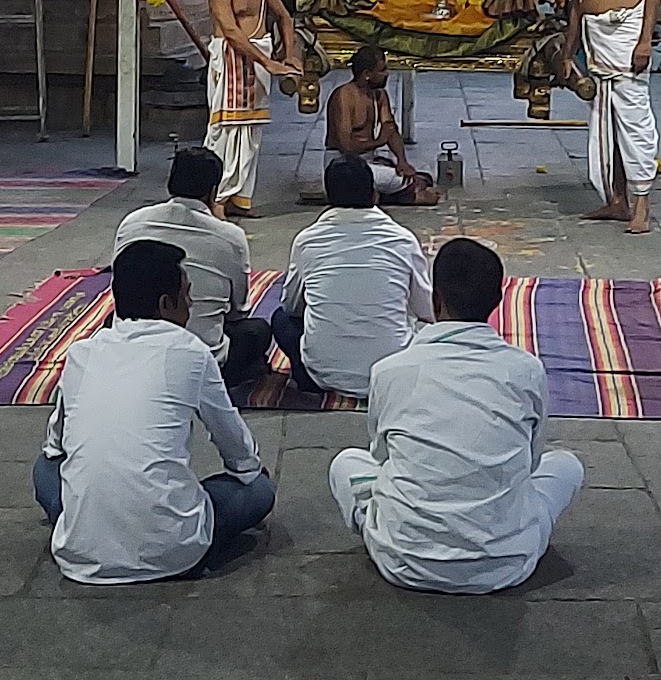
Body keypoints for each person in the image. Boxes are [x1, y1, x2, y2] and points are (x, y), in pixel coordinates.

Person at [328, 236, 584, 594]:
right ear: (497, 301)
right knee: (566, 465)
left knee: (346, 463)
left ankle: (386, 526)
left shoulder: (390, 370)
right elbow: (531, 460)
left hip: (402, 559)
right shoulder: (525, 369)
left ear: (436, 299)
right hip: (508, 563)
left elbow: (381, 456)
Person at [33, 239, 275, 584]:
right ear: (166, 304)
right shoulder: (189, 350)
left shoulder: (82, 353)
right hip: (173, 553)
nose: (191, 304)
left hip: (78, 555)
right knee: (257, 491)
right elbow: (235, 446)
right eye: (187, 294)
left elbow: (55, 448)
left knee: (46, 469)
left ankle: (88, 525)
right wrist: (251, 472)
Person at [270, 155, 433, 397]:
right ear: (374, 195)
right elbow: (426, 310)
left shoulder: (307, 241)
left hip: (322, 375)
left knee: (281, 319)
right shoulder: (403, 240)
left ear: (328, 198)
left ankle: (307, 375)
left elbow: (292, 306)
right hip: (393, 370)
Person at [113, 147, 272, 388]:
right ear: (212, 192)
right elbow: (238, 310)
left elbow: (122, 286)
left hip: (136, 351)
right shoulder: (229, 236)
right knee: (257, 331)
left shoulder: (132, 223)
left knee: (113, 322)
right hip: (200, 359)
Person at [560, 0, 661, 235]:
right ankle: (616, 200)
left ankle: (642, 204)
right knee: (605, 125)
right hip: (596, 42)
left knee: (634, 121)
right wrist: (569, 51)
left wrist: (645, 41)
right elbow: (577, 4)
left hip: (628, 37)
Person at [204, 0, 300, 218]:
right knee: (225, 131)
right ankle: (216, 198)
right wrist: (267, 62)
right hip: (232, 60)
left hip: (258, 60)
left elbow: (284, 16)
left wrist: (290, 53)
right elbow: (231, 31)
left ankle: (240, 199)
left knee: (251, 134)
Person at [325, 46, 439, 207]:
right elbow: (346, 146)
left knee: (425, 171)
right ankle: (403, 193)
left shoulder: (379, 94)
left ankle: (381, 191)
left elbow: (390, 130)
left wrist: (402, 161)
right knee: (402, 179)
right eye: (382, 70)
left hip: (368, 162)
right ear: (367, 74)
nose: (387, 73)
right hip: (343, 166)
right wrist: (379, 141)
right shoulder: (344, 96)